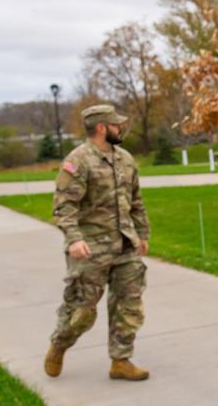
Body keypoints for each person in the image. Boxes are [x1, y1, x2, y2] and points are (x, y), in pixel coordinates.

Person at [44, 104, 151, 381]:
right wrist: (74, 239)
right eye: (116, 125)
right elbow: (64, 206)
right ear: (102, 128)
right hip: (90, 249)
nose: (121, 128)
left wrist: (142, 234)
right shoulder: (77, 161)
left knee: (129, 305)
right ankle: (59, 343)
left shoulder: (125, 159)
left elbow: (136, 201)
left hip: (125, 246)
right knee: (81, 310)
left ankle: (121, 361)